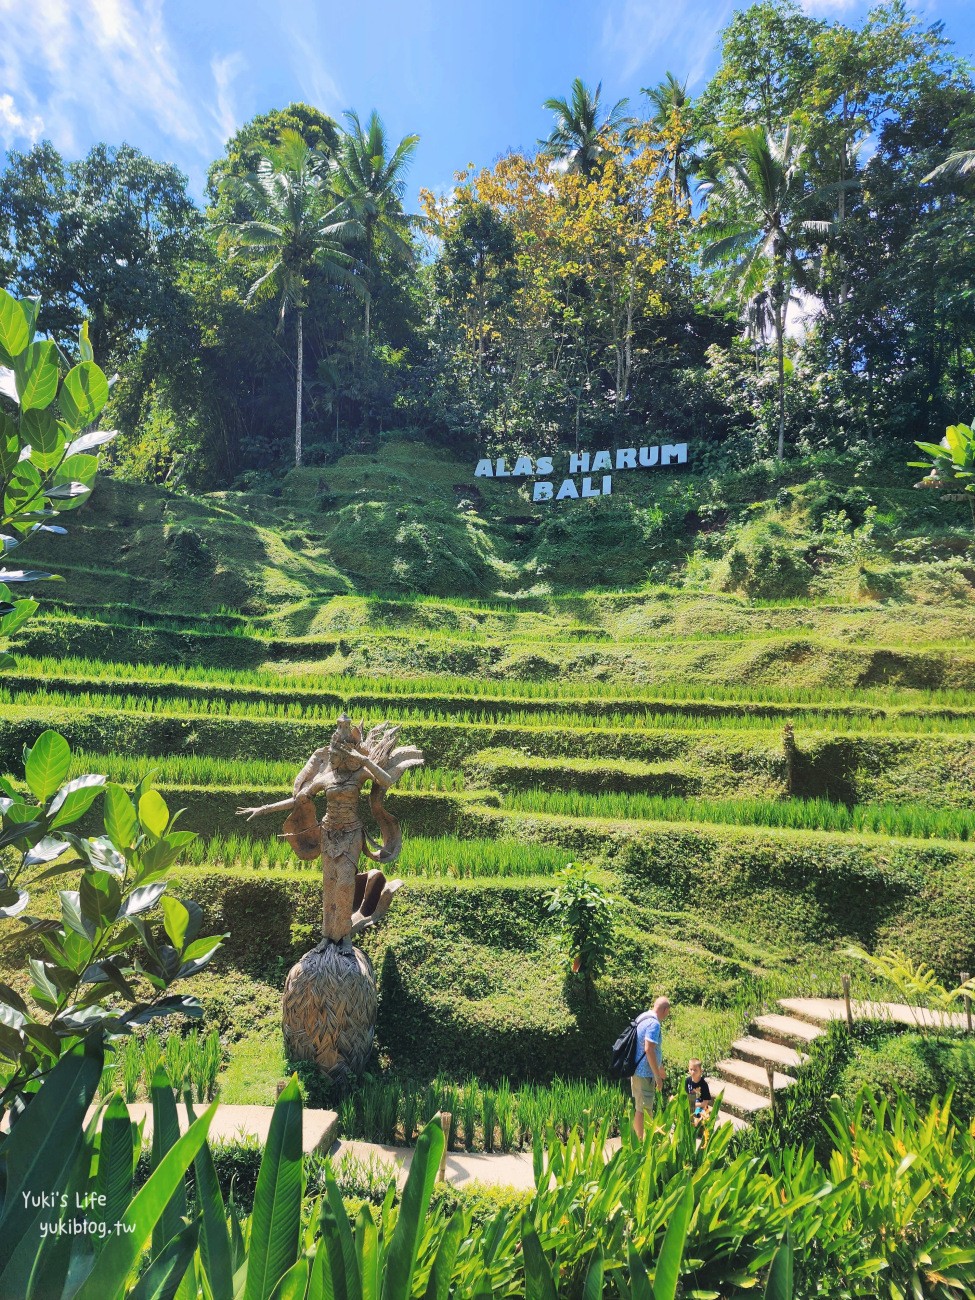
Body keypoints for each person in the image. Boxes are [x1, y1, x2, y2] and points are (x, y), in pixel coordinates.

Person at [631, 996, 670, 1138]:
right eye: (668, 1012)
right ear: (665, 1010)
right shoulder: (655, 1024)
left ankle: (639, 1141)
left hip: (635, 1070)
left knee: (639, 1108)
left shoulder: (643, 1017)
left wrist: (660, 1068)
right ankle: (644, 1145)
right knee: (646, 1111)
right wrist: (657, 1076)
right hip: (645, 1073)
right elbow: (649, 1049)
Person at [685, 1058, 713, 1123]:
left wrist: (694, 1104)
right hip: (690, 1103)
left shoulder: (703, 1085)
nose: (692, 1072)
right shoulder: (687, 1081)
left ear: (701, 1071)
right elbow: (685, 1095)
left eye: (695, 1070)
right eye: (691, 1069)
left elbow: (705, 1103)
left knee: (697, 1116)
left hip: (699, 1106)